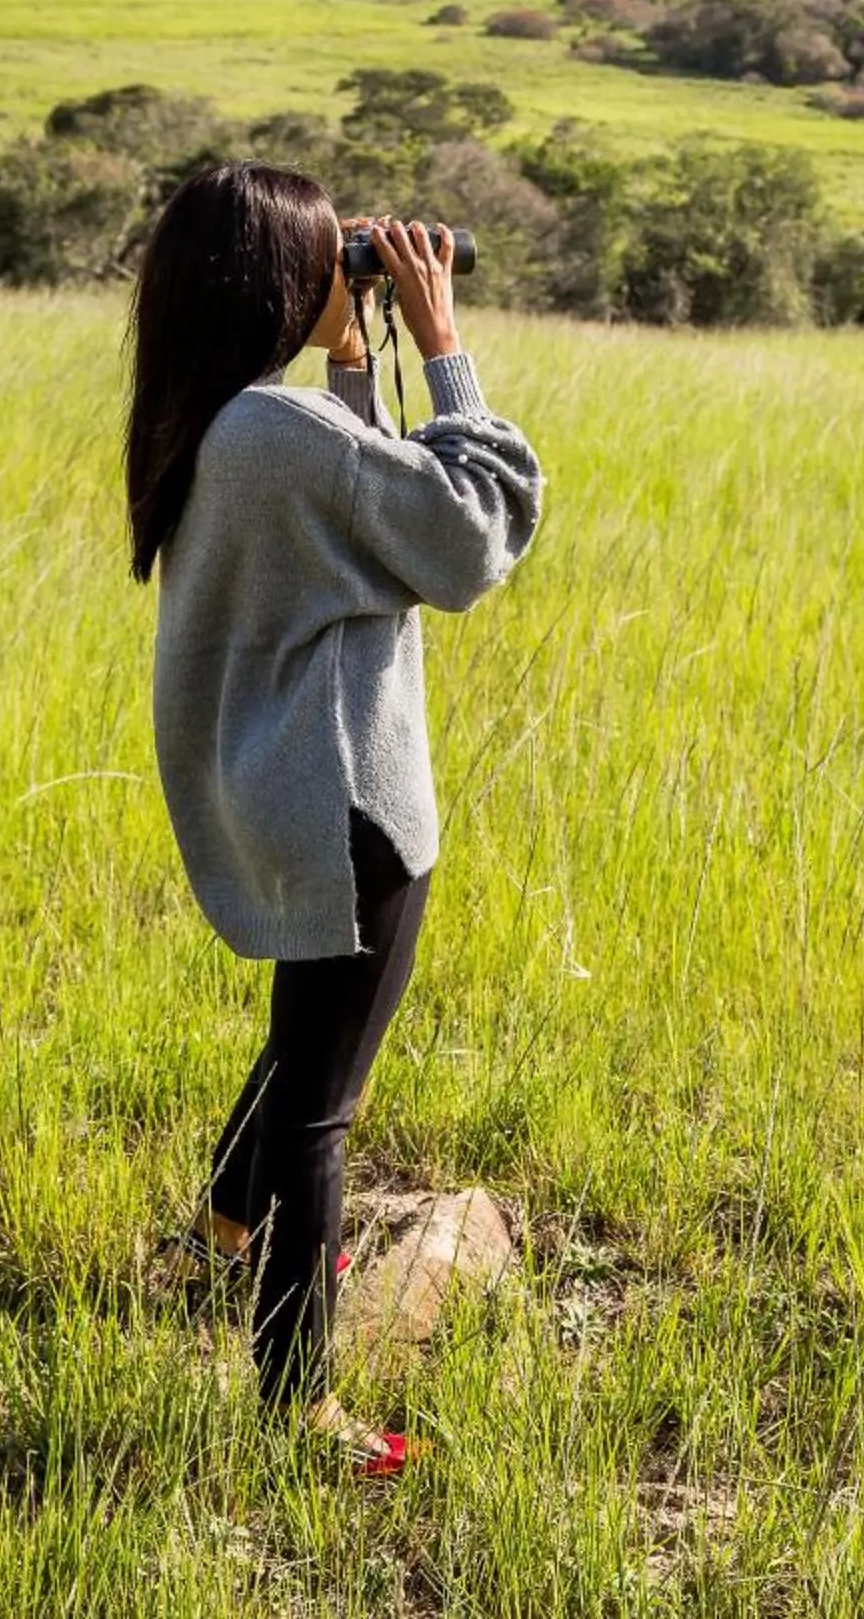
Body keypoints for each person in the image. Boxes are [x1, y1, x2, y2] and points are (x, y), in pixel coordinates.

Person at [123, 162, 545, 1469]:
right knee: (323, 1102)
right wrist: (445, 346)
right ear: (276, 281)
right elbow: (467, 539)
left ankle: (225, 1230)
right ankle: (295, 1403)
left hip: (283, 785)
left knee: (300, 1037)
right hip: (350, 798)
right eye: (327, 257)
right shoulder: (280, 436)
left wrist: (354, 360)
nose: (344, 271)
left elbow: (365, 510)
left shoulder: (225, 421)